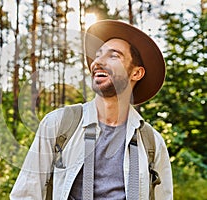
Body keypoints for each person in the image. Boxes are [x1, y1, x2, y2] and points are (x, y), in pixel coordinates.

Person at [10, 19, 173, 200]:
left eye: (113, 56)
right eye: (98, 55)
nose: (98, 62)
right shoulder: (57, 124)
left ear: (136, 73)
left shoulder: (152, 143)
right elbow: (26, 194)